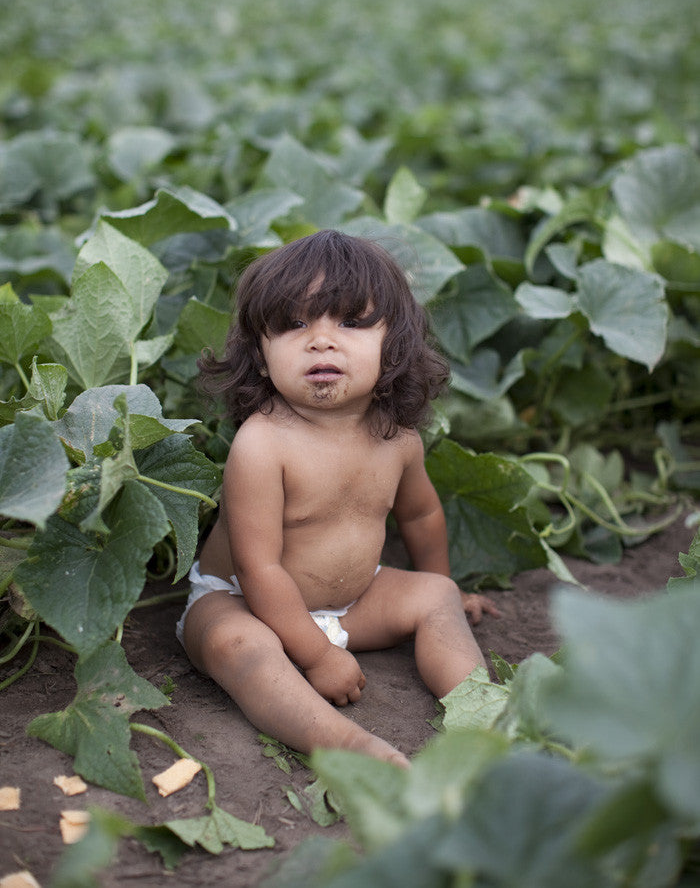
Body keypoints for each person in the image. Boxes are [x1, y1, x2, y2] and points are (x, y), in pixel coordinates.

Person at [177, 229, 499, 767]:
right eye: (294, 324)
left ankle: (482, 712)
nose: (321, 340)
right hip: (241, 603)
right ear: (260, 356)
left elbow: (421, 514)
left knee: (437, 596)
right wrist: (318, 654)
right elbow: (258, 570)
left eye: (350, 322)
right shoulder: (262, 443)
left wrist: (447, 582)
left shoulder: (397, 439)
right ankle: (348, 745)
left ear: (393, 346)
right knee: (244, 650)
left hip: (354, 604)